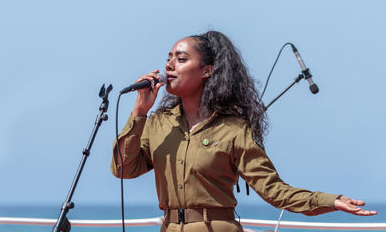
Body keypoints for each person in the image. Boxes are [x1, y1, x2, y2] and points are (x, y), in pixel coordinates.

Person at [111, 31, 377, 232]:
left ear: (207, 71)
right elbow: (123, 169)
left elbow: (274, 190)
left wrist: (331, 201)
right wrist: (139, 114)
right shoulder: (157, 124)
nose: (169, 66)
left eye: (180, 59)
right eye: (168, 58)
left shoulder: (233, 129)